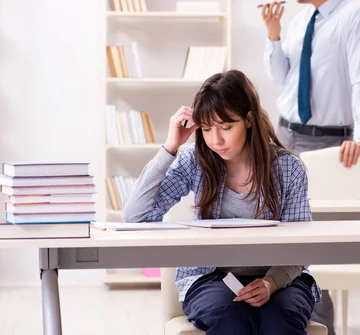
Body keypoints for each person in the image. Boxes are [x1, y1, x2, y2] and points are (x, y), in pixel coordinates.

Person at [123, 70, 320, 335]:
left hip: (282, 277)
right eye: (206, 129)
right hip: (210, 278)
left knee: (279, 320)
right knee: (232, 318)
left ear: (249, 119)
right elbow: (135, 217)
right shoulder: (195, 160)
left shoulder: (288, 168)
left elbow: (299, 247)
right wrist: (170, 147)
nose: (216, 140)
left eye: (226, 127)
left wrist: (272, 282)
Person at [261, 0, 360, 334]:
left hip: (331, 142)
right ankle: (284, 317)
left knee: (314, 237)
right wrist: (273, 35)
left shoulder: (355, 16)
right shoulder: (299, 22)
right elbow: (282, 78)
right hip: (286, 135)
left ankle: (317, 324)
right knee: (276, 229)